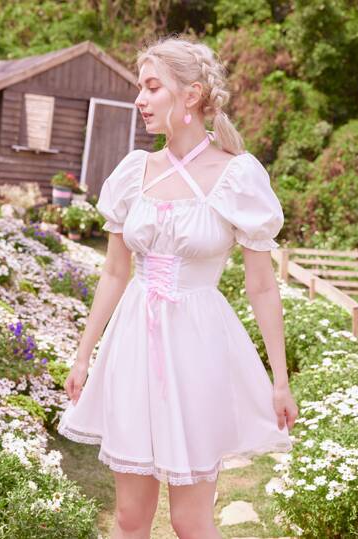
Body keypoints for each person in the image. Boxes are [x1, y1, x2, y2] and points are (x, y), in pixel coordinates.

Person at [58, 34, 299, 539]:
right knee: (129, 518)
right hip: (132, 347)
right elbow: (115, 272)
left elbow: (261, 287)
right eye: (139, 87)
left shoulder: (237, 175)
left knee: (191, 521)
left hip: (198, 349)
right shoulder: (134, 173)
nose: (140, 100)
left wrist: (280, 379)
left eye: (152, 87)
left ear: (191, 95)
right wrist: (83, 356)